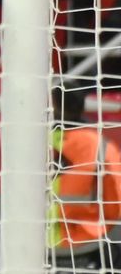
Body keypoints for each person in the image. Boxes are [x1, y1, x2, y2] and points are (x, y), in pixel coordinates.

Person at [51, 85, 121, 271]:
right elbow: (117, 198)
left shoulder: (33, 142)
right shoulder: (100, 145)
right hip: (90, 243)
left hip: (36, 245)